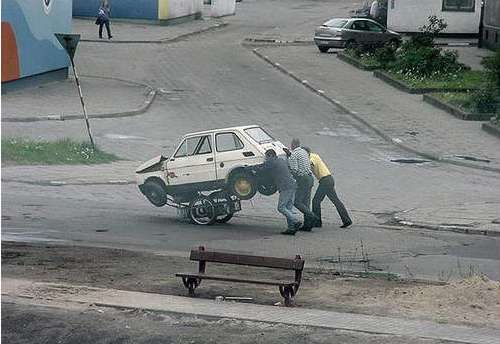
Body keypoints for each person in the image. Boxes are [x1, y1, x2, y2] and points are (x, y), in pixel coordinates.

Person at [304, 147, 352, 229]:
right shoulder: (315, 155)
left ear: (306, 153)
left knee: (316, 201)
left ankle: (317, 221)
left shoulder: (312, 158)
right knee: (336, 201)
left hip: (325, 181)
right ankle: (347, 220)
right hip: (328, 179)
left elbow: (311, 163)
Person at [258, 149, 302, 235]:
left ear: (270, 156)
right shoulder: (281, 160)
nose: (266, 159)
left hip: (286, 187)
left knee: (281, 207)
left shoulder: (272, 162)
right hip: (293, 185)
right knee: (288, 208)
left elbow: (262, 168)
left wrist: (249, 168)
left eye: (266, 157)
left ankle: (296, 221)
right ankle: (291, 228)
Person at [288, 139, 319, 232]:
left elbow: (294, 170)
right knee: (306, 203)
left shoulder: (293, 154)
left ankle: (313, 216)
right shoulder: (304, 152)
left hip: (302, 180)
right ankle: (307, 225)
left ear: (293, 144)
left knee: (297, 202)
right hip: (310, 178)